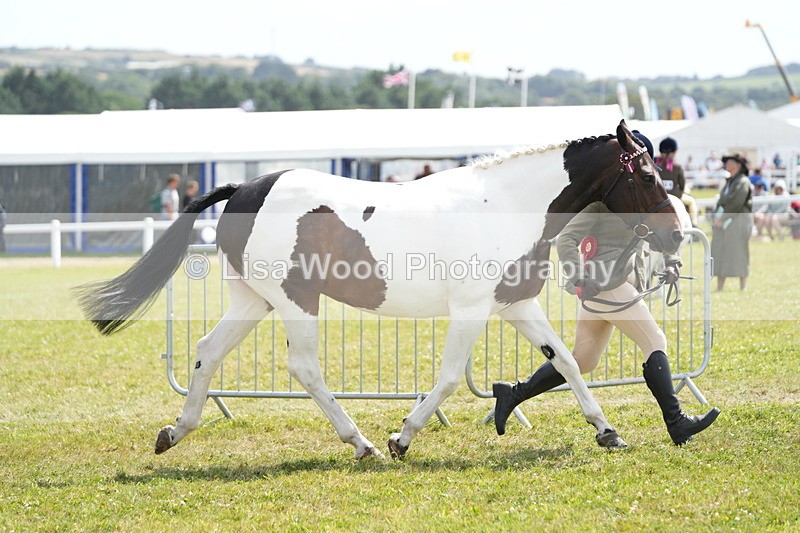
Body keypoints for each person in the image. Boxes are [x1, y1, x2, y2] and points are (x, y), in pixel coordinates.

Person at [493, 133, 720, 446]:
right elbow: (567, 240)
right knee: (655, 340)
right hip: (604, 286)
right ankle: (677, 422)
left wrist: (673, 262)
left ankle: (512, 393)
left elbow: (666, 230)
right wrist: (579, 278)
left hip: (614, 285)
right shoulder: (599, 205)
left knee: (583, 360)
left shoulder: (642, 199)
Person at [711, 153, 753, 291]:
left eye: (730, 161)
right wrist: (717, 218)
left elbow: (736, 203)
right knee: (721, 252)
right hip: (725, 221)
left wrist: (722, 219)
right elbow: (722, 202)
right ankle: (720, 286)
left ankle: (743, 287)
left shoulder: (743, 181)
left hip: (739, 220)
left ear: (738, 165)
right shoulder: (729, 181)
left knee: (739, 252)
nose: (727, 164)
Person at [656, 137, 698, 226]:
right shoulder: (677, 166)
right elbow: (682, 184)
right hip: (675, 195)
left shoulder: (655, 165)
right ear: (673, 152)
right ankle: (694, 224)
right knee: (691, 202)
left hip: (659, 196)